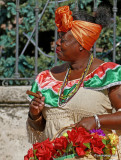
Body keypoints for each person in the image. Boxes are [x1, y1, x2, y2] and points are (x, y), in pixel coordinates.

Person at [26, 5, 121, 159]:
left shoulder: (109, 74)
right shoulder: (45, 79)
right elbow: (41, 129)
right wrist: (35, 115)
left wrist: (96, 120)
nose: (56, 43)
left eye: (63, 39)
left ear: (81, 44)